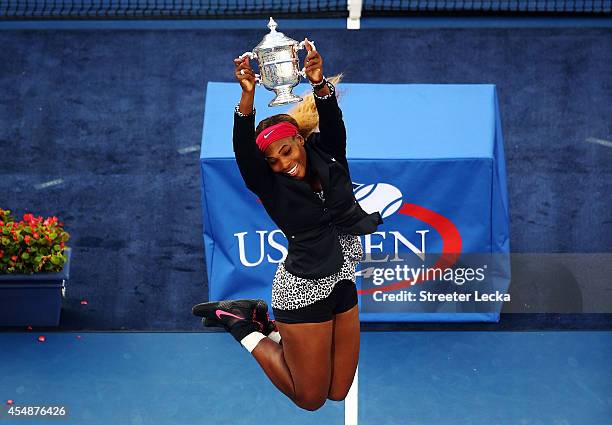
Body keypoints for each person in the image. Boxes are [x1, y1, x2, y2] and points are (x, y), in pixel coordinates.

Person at [192, 39, 383, 411]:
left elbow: (332, 119)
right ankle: (241, 321)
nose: (282, 164)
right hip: (303, 290)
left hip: (342, 278)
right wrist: (247, 96)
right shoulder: (269, 184)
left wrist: (318, 81)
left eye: (286, 151)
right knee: (310, 398)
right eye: (272, 160)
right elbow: (244, 151)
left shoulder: (329, 155)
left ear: (299, 140)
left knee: (338, 391)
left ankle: (270, 325)